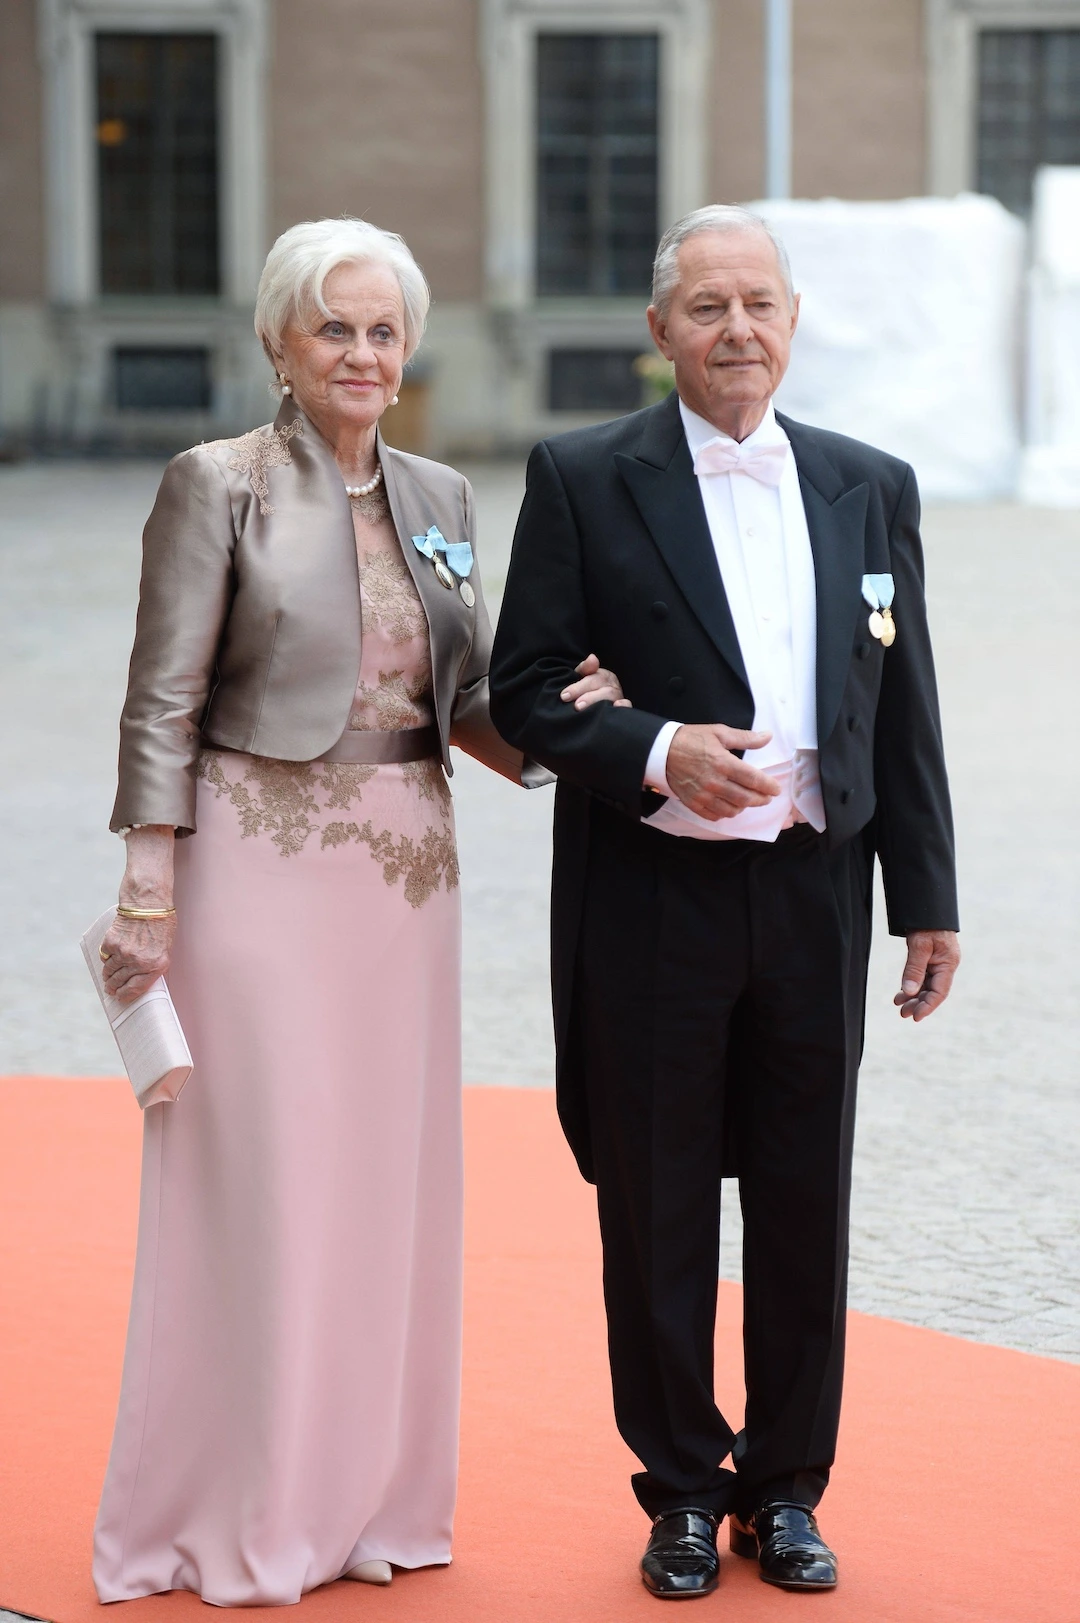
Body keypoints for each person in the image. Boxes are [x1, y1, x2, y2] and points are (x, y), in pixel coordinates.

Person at [92, 217, 621, 1606]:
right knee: (265, 1184)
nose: (365, 352)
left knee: (383, 1190)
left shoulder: (442, 494)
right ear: (280, 337)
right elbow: (161, 698)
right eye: (336, 326)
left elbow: (466, 705)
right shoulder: (216, 484)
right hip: (253, 868)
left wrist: (593, 732)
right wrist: (147, 888)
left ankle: (367, 1499)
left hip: (403, 882)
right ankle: (241, 1501)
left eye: (385, 328)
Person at [489, 205, 960, 1600]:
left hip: (816, 891)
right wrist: (651, 747)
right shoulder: (581, 477)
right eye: (707, 307)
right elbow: (519, 692)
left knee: (809, 1203)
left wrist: (923, 896)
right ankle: (684, 1488)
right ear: (660, 331)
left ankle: (789, 1487)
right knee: (658, 1203)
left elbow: (907, 707)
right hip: (652, 903)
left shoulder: (872, 484)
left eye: (759, 303)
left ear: (794, 319)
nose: (737, 330)